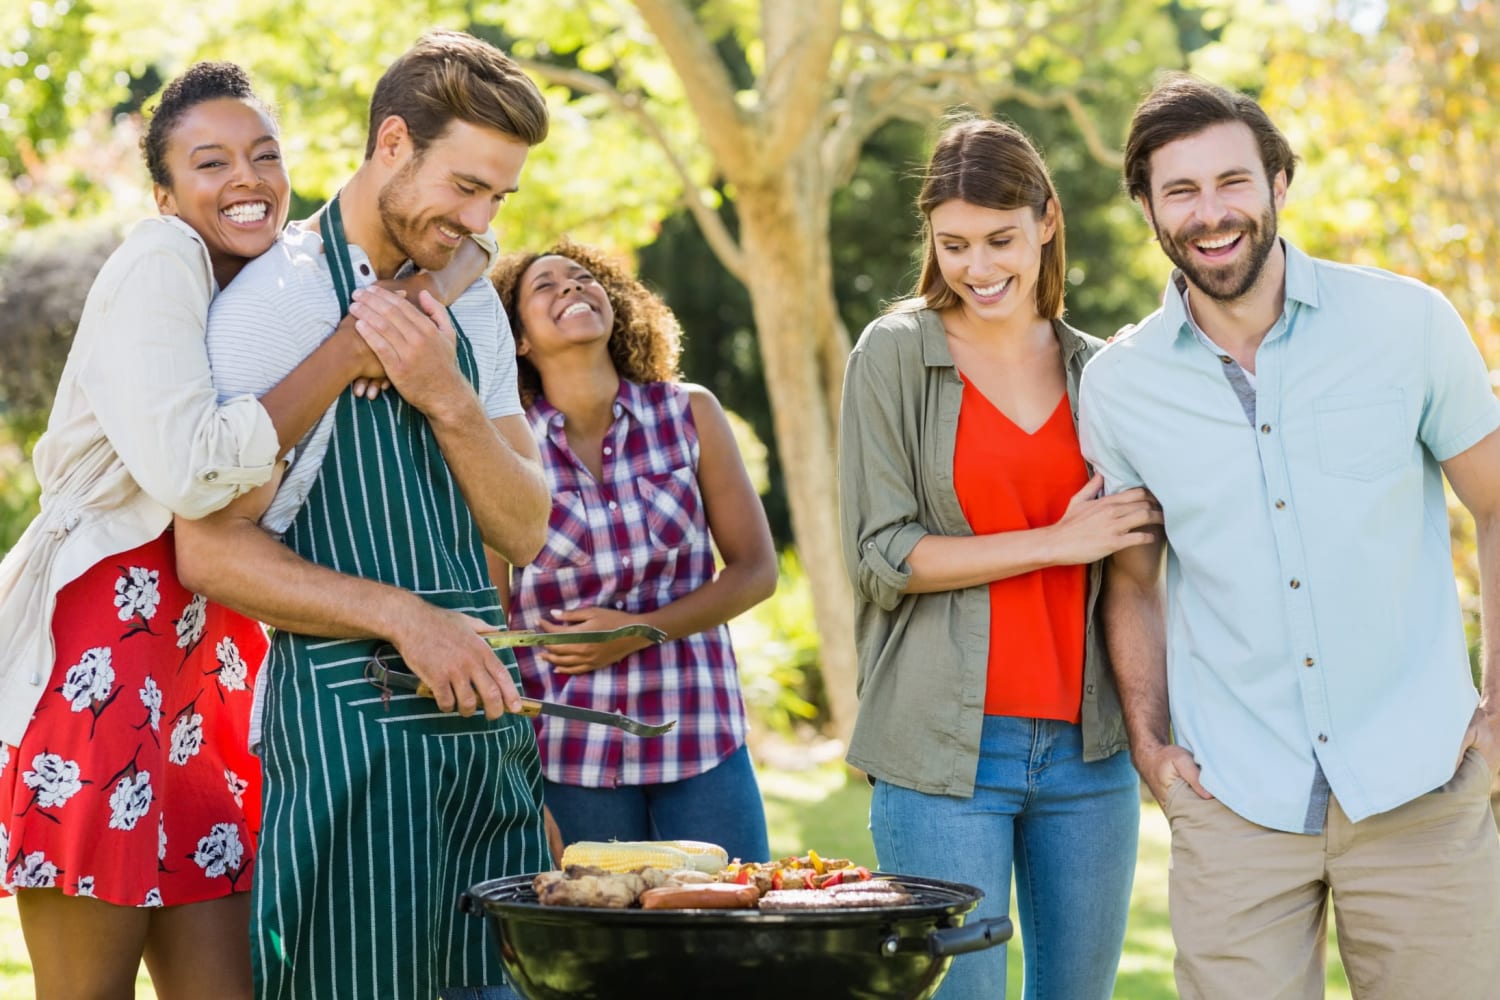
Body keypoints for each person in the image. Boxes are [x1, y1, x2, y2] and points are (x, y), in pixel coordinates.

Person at [0, 61, 440, 999]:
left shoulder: (275, 286)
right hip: (111, 657)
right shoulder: (162, 256)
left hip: (219, 663)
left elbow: (447, 261)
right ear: (165, 193)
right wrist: (347, 351)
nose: (247, 177)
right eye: (211, 162)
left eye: (265, 154)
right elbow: (192, 469)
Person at [1081, 72, 1500, 999]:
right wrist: (1152, 747)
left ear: (1278, 183)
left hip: (1422, 784)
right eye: (1180, 191)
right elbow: (1135, 581)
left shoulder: (1407, 324)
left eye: (1232, 181)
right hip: (1236, 798)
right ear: (1148, 208)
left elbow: (1497, 502)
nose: (1211, 213)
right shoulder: (1120, 385)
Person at [171, 30, 553, 1000]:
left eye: (499, 197)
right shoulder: (275, 304)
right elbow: (211, 550)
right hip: (353, 748)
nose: (479, 220)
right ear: (392, 143)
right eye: (465, 186)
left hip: (482, 745)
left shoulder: (467, 300)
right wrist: (403, 616)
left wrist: (447, 397)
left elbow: (525, 528)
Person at [836, 116, 1162, 1000]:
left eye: (1000, 240)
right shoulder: (897, 354)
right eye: (954, 245)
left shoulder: (1102, 372)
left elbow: (1139, 573)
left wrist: (1154, 736)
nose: (978, 268)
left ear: (1047, 221)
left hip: (1087, 759)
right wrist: (1057, 542)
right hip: (944, 753)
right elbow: (879, 554)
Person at [489, 239, 776, 864]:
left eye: (583, 278)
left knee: (735, 943)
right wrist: (516, 778)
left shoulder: (689, 412)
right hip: (568, 749)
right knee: (600, 956)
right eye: (546, 286)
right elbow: (494, 622)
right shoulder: (505, 451)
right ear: (517, 341)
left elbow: (756, 571)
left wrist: (640, 632)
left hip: (699, 733)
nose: (571, 287)